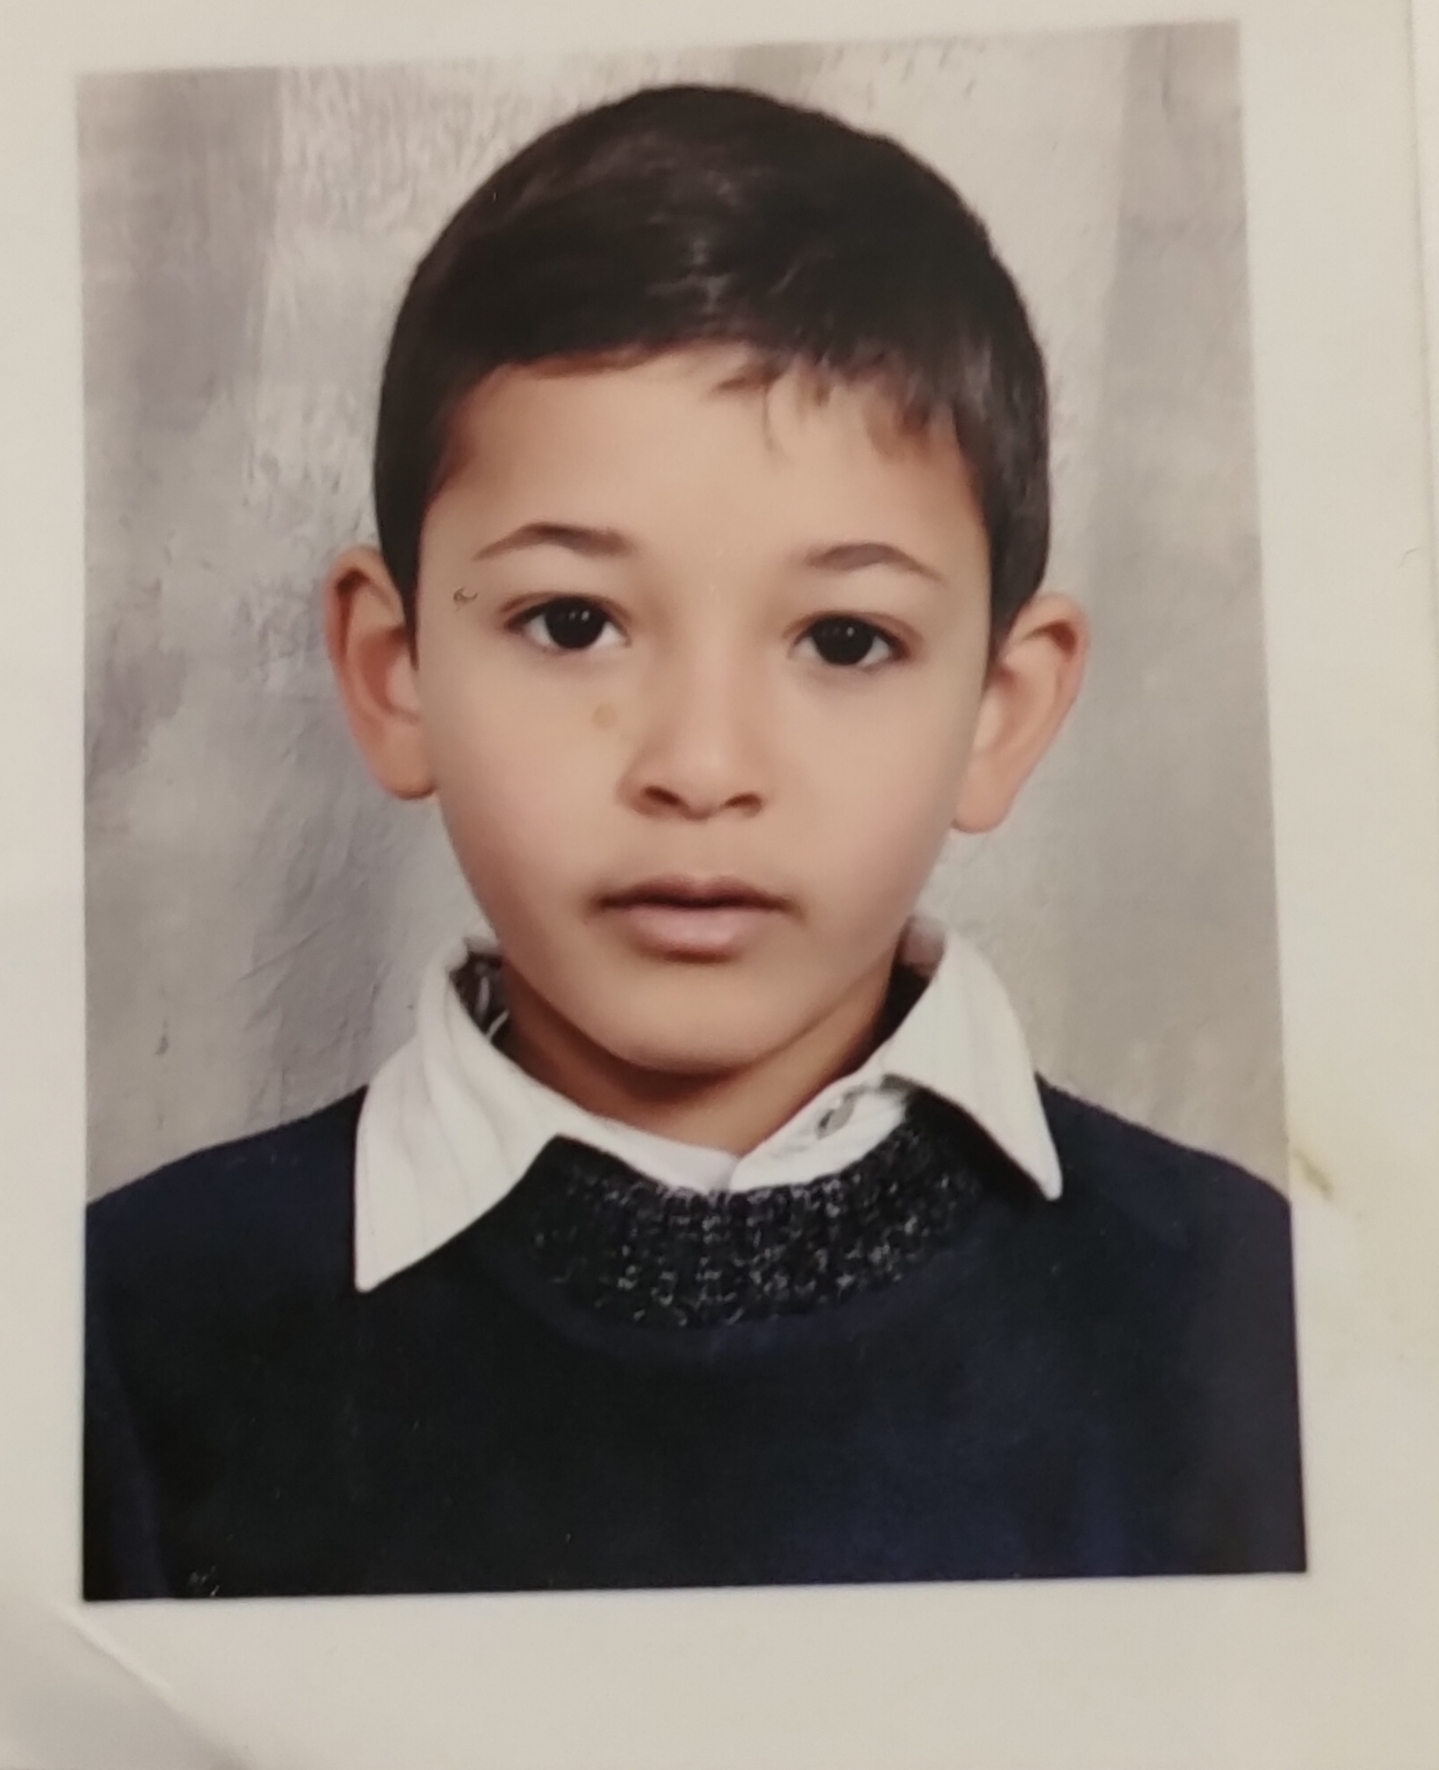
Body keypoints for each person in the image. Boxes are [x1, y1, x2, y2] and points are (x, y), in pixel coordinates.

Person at [83, 82, 1305, 1600]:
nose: (702, 769)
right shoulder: (116, 1339)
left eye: (845, 639)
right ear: (397, 674)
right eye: (572, 622)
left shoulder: (1256, 1318)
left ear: (1001, 709)